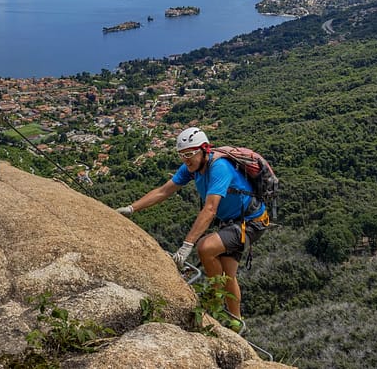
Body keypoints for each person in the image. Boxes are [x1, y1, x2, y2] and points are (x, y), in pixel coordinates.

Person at [115, 126, 269, 333]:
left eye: (190, 154)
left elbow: (210, 208)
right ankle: (236, 322)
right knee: (228, 273)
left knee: (205, 248)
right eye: (182, 155)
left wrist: (186, 246)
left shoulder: (220, 167)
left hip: (251, 222)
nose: (186, 160)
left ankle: (215, 301)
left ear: (204, 149)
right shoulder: (191, 168)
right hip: (234, 222)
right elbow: (163, 191)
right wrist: (132, 208)